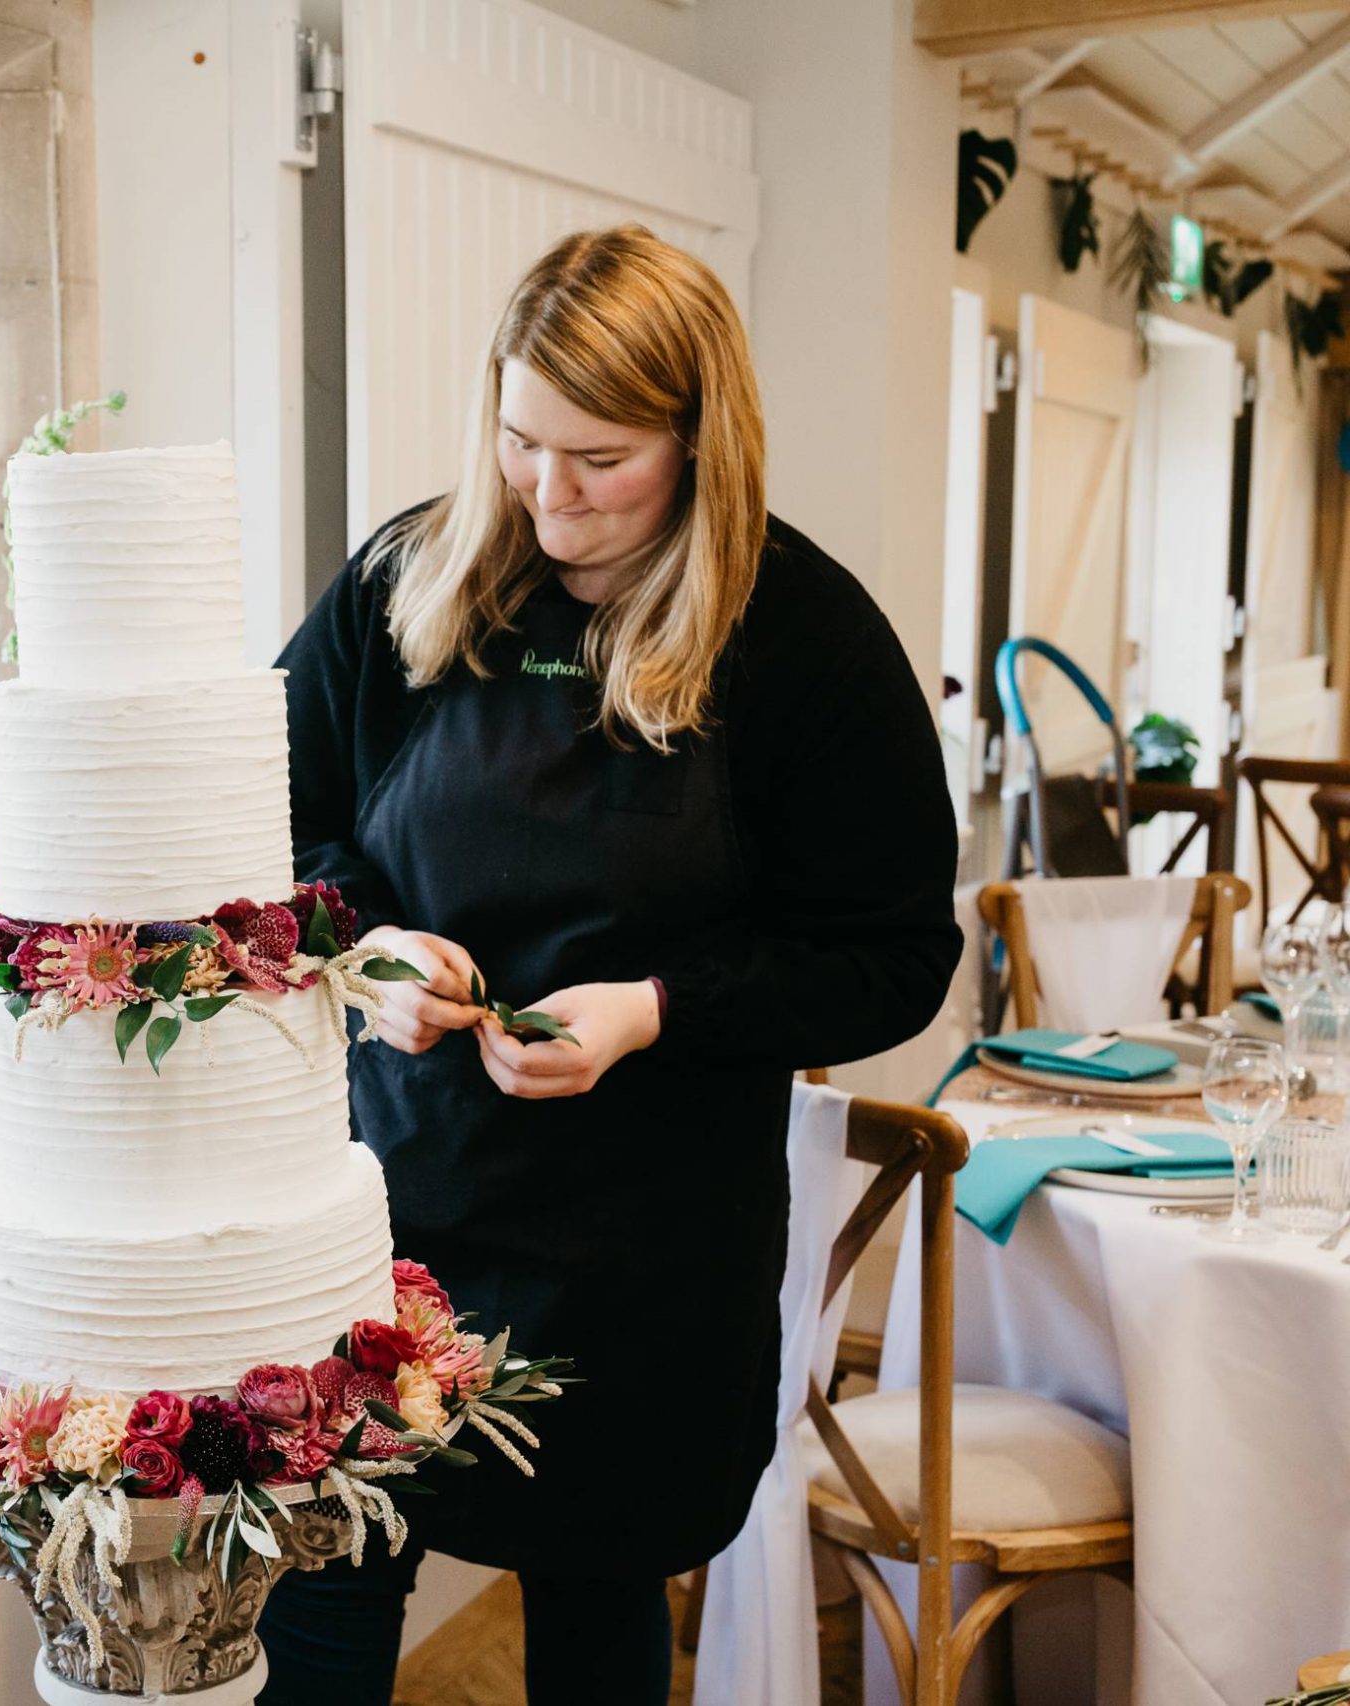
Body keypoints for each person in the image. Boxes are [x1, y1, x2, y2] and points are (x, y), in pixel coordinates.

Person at [256, 224, 961, 1704]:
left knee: (596, 1618)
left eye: (602, 457)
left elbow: (894, 956)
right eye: (520, 441)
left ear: (701, 438)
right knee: (324, 1609)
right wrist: (359, 942)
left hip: (642, 1254)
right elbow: (275, 821)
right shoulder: (405, 583)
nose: (550, 495)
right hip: (387, 1226)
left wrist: (657, 1009)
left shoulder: (806, 638)